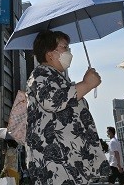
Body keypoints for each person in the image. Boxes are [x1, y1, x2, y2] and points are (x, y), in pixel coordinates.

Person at [25, 30, 106, 184]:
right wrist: (87, 84)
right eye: (64, 48)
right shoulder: (40, 73)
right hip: (56, 160)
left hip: (68, 157)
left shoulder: (57, 77)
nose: (69, 52)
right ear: (50, 53)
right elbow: (52, 100)